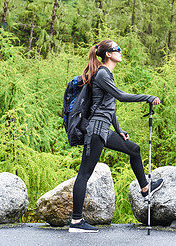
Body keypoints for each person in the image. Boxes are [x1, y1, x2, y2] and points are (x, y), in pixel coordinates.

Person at [69, 40, 163, 233]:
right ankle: (76, 222)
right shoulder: (103, 73)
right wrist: (147, 97)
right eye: (117, 49)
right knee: (84, 174)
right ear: (109, 55)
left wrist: (119, 129)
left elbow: (108, 106)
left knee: (134, 149)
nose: (121, 52)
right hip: (96, 131)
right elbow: (120, 96)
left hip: (104, 129)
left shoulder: (106, 74)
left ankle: (145, 189)